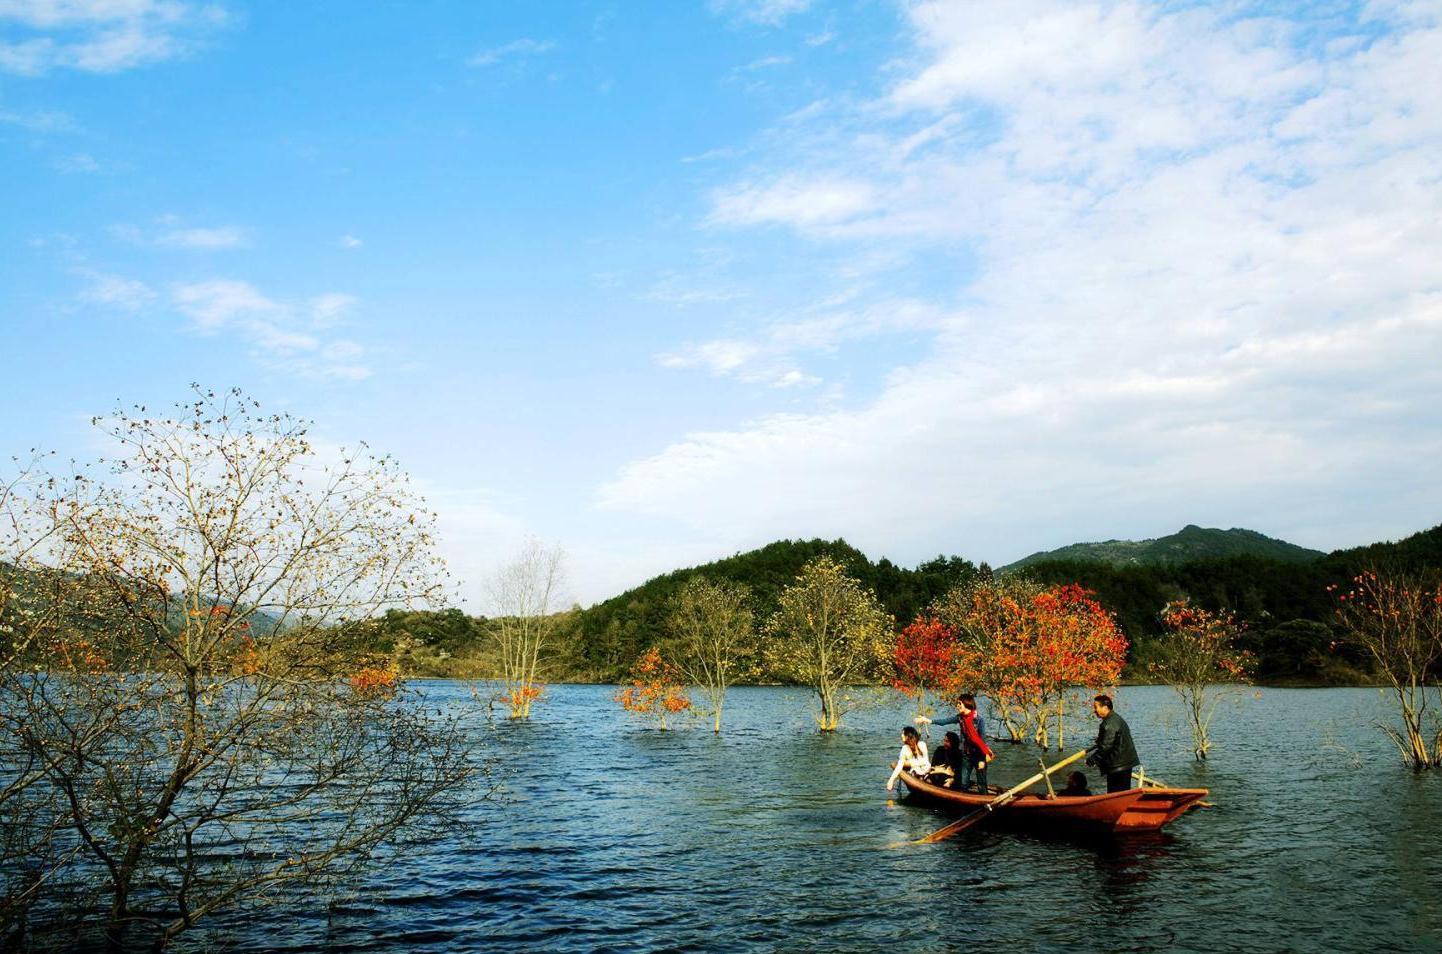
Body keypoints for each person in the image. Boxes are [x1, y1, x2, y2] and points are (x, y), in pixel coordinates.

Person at [916, 694, 995, 793]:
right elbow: (944, 721)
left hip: (979, 754)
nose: (957, 706)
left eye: (959, 703)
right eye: (957, 703)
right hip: (966, 755)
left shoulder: (979, 720)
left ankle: (984, 803)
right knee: (963, 783)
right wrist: (927, 720)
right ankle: (963, 805)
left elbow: (982, 741)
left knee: (981, 785)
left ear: (967, 704)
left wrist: (982, 760)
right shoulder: (960, 718)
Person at [1086, 694, 1139, 793]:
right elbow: (1112, 740)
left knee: (1116, 793)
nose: (1094, 710)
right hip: (1123, 763)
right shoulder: (1115, 719)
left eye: (1096, 707)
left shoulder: (1109, 723)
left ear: (1105, 707)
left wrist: (1092, 759)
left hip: (1118, 765)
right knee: (1122, 793)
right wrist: (1100, 740)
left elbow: (1106, 747)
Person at [886, 725, 931, 791]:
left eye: (903, 733)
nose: (901, 735)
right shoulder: (904, 749)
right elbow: (899, 766)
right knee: (913, 772)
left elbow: (925, 761)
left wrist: (909, 763)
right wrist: (891, 780)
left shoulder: (921, 744)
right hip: (915, 772)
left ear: (908, 736)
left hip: (926, 770)